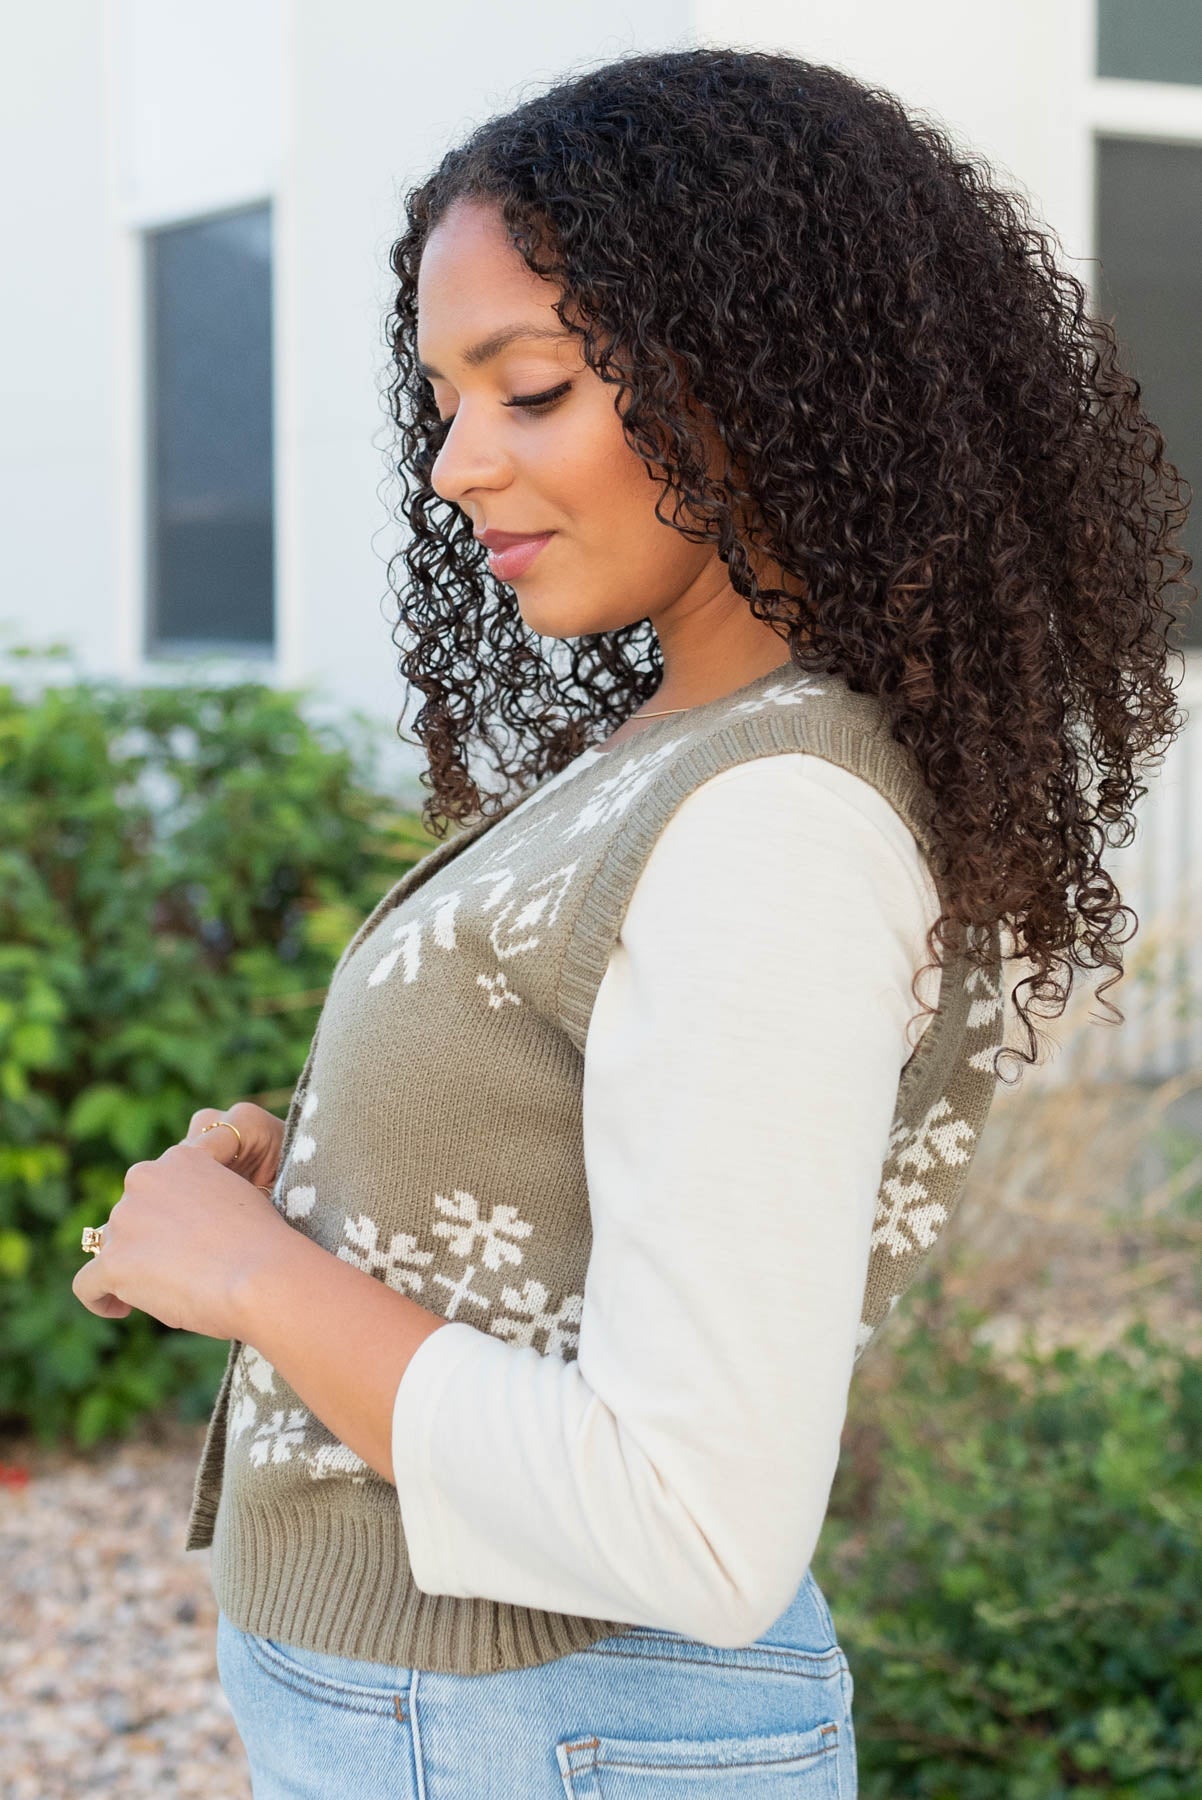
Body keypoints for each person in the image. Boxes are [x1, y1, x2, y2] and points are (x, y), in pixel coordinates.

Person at [72, 45, 1190, 1800]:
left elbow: (693, 1523)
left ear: (761, 374)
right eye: (444, 399)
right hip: (493, 1722)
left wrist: (257, 1281)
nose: (456, 465)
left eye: (528, 392)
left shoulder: (776, 815)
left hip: (547, 1727)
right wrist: (335, 1187)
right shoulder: (691, 743)